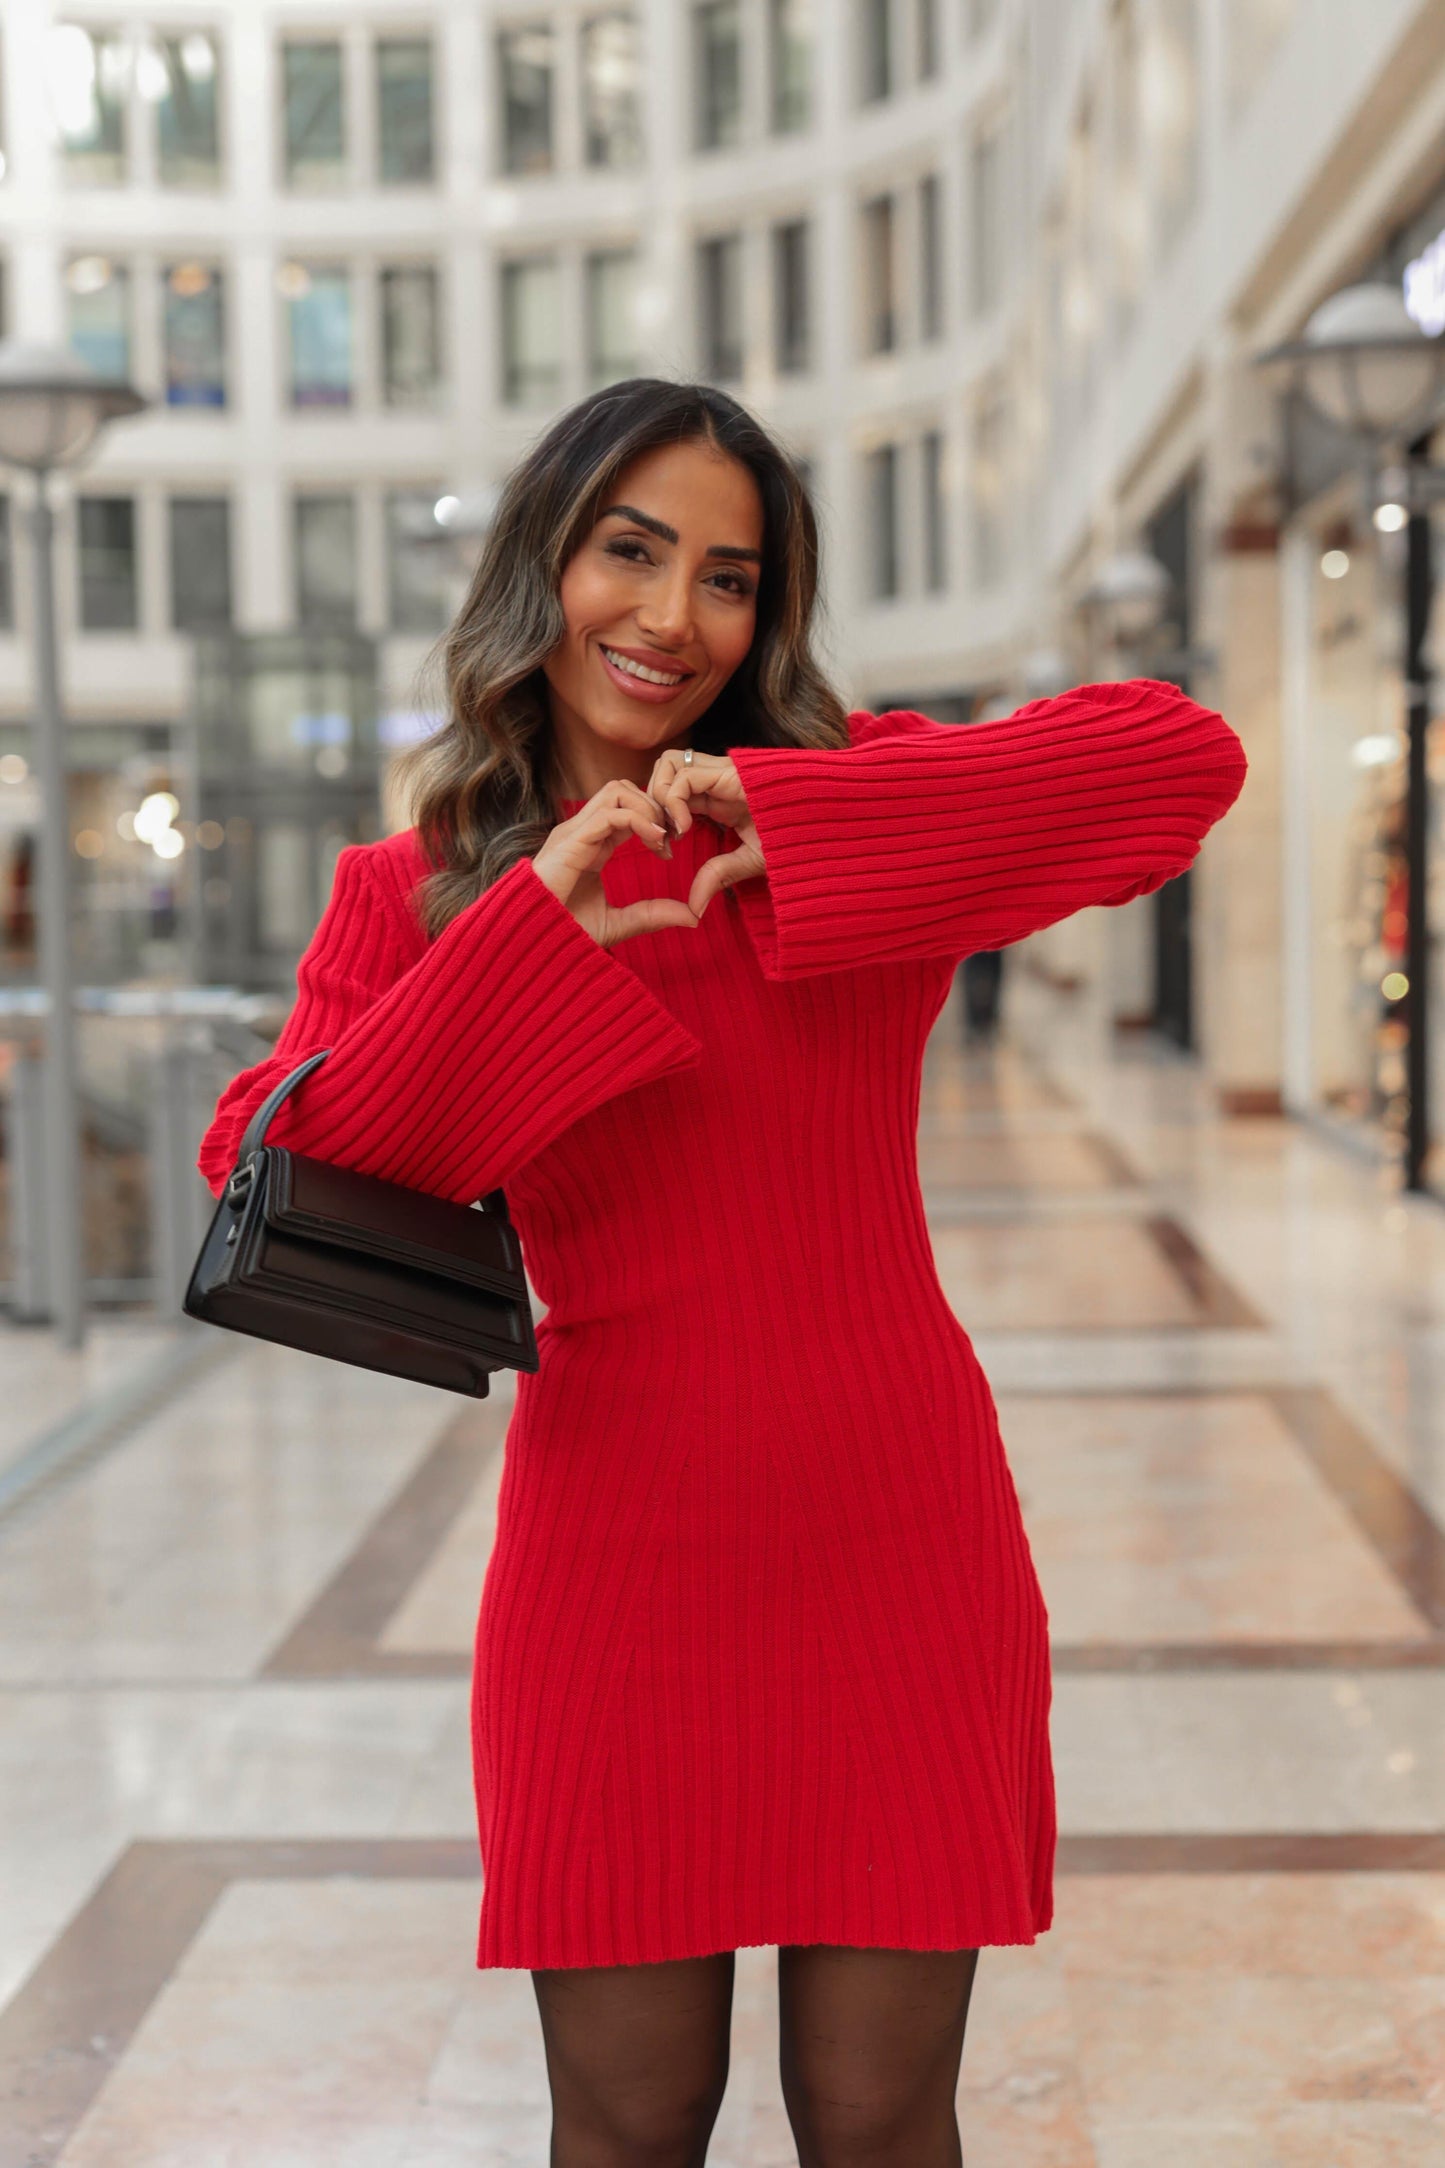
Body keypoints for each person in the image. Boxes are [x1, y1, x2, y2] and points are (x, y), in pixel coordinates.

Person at [198, 379, 1246, 2166]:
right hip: (615, 1559)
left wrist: (816, 822)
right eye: (629, 552)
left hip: (898, 1540)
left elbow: (1176, 762)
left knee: (877, 2113)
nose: (673, 618)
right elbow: (275, 1160)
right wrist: (538, 930)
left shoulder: (833, 814)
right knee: (624, 2120)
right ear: (546, 566)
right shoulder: (421, 888)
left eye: (729, 577)